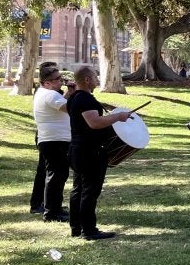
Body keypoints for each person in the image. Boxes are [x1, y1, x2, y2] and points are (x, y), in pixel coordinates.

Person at [66, 65, 131, 240]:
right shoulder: (85, 99)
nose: (97, 80)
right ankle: (89, 230)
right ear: (86, 80)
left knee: (78, 189)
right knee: (89, 191)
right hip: (89, 152)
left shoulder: (74, 98)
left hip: (78, 150)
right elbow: (94, 123)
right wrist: (117, 117)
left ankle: (77, 227)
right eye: (95, 77)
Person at [33, 63, 71, 222]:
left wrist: (70, 93)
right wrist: (79, 93)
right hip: (55, 140)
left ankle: (54, 208)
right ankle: (52, 212)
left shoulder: (45, 93)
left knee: (56, 175)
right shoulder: (50, 95)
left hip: (52, 139)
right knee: (56, 176)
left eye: (61, 78)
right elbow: (71, 108)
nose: (61, 81)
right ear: (47, 82)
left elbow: (62, 104)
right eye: (57, 79)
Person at [29, 60, 60, 215]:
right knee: (44, 171)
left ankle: (46, 203)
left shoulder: (51, 91)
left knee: (46, 171)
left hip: (46, 134)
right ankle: (37, 204)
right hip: (45, 135)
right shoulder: (44, 92)